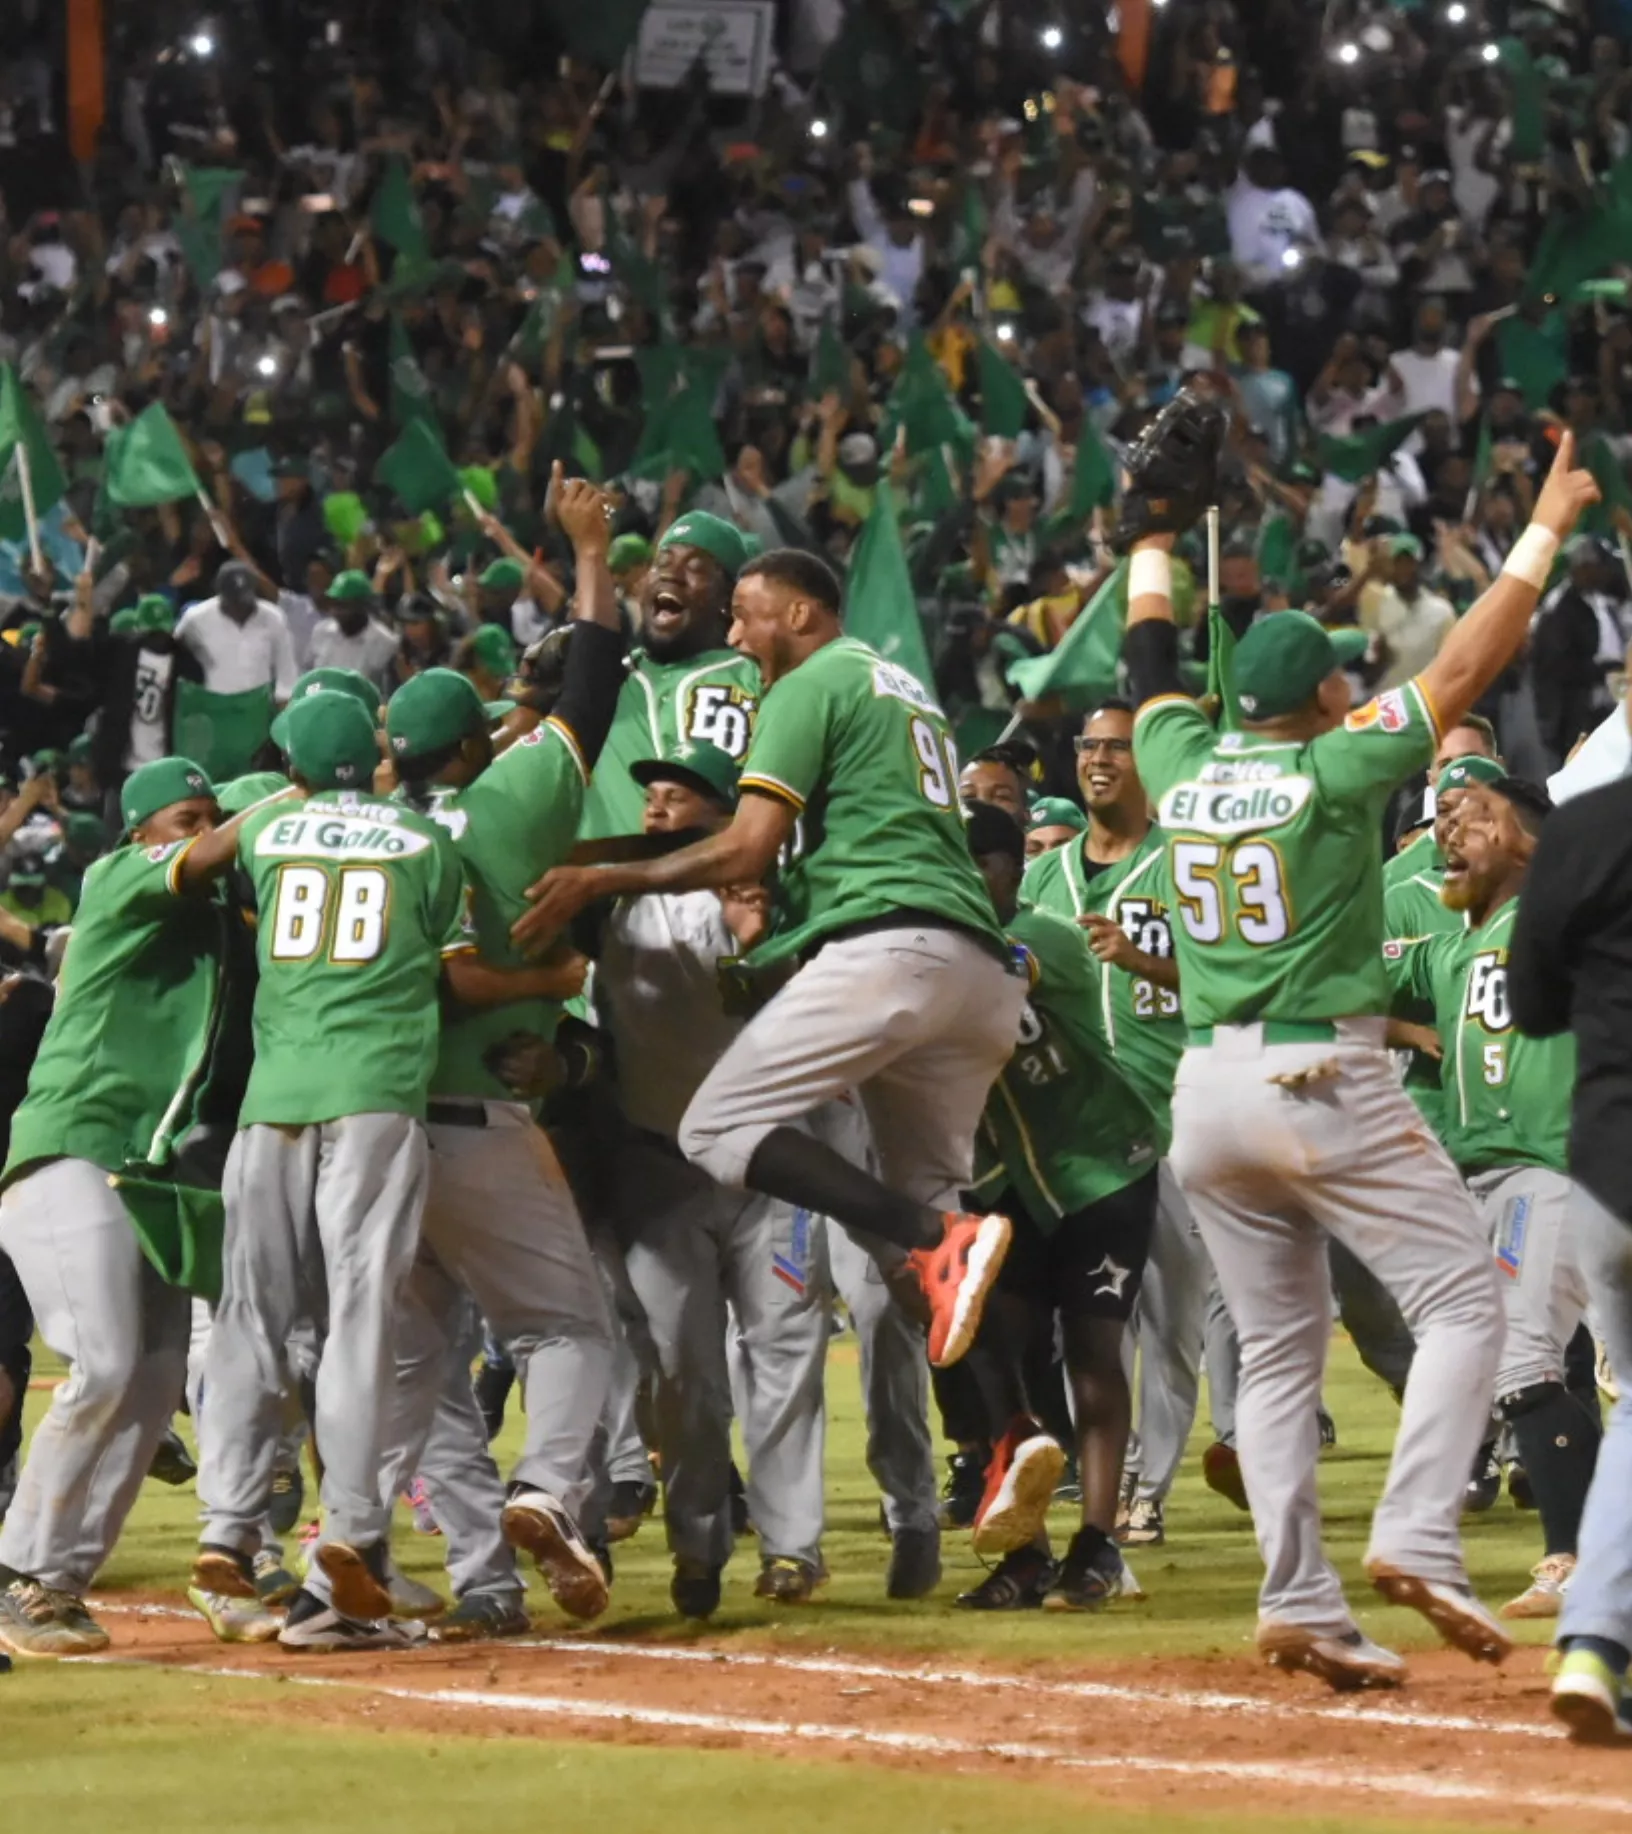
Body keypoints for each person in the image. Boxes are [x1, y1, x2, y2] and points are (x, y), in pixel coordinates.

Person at [1121, 410, 1599, 1691]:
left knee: (1278, 1351)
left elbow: (1147, 667)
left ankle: (1301, 1601)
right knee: (1464, 1304)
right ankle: (1419, 1538)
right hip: (1317, 1071)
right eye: (1339, 673)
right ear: (1324, 693)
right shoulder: (1333, 769)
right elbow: (1467, 664)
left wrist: (1148, 538)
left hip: (1204, 1093)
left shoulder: (1177, 762)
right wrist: (1545, 527)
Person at [516, 547, 1029, 1372]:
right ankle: (1013, 1439)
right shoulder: (904, 691)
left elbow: (747, 847)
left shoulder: (811, 682)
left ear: (800, 614)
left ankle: (941, 1237)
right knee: (923, 1230)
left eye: (746, 612)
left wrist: (602, 877)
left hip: (889, 949)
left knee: (715, 1128)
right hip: (976, 971)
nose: (735, 631)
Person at [363, 472, 628, 1639]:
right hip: (480, 1115)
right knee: (568, 1330)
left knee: (418, 1364)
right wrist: (588, 551)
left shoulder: (378, 832)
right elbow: (596, 679)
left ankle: (474, 1573)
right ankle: (546, 1490)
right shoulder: (519, 788)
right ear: (480, 740)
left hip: (373, 1128)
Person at [180, 692, 485, 1654]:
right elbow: (448, 963)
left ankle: (228, 1524)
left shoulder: (269, 830)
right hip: (376, 1093)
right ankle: (353, 1531)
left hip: (273, 1102)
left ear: (296, 764)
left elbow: (224, 872)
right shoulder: (428, 842)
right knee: (361, 1321)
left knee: (249, 1317)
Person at [0, 758, 228, 1658]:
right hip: (71, 1150)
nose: (202, 828)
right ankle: (17, 1572)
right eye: (185, 817)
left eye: (210, 814)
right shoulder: (114, 876)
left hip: (151, 1168)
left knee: (152, 1376)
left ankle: (57, 1583)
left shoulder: (217, 923)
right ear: (140, 830)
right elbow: (211, 854)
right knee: (101, 1364)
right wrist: (316, 794)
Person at [1385, 770, 1596, 1621]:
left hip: (1552, 1171)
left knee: (1521, 1356)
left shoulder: (1565, 926)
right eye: (1445, 816)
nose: (1452, 827)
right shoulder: (1449, 950)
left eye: (1478, 815)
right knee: (1499, 1359)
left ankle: (1576, 1557)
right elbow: (1339, 983)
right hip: (1488, 1178)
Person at [958, 801, 1161, 1610]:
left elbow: (990, 976)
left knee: (1092, 1355)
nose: (969, 878)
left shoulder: (1049, 937)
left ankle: (1100, 1542)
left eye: (983, 862)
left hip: (1100, 1170)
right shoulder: (940, 944)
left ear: (1015, 869)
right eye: (955, 861)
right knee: (1005, 1359)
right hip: (1008, 1184)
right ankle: (1030, 1552)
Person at [1018, 699, 1203, 1550]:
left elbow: (1232, 979)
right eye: (1088, 746)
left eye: (1117, 748)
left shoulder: (1183, 865)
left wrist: (1142, 960)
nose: (1098, 760)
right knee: (1084, 1322)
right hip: (1080, 1129)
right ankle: (1109, 1470)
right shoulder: (1041, 881)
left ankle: (1146, 1482)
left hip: (1175, 1112)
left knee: (1171, 1319)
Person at [1509, 763, 1632, 1740]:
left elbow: (1534, 1003)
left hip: (1603, 1166)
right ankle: (1596, 1633)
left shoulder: (1583, 826)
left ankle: (1596, 1634)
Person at [577, 512, 761, 841]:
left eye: (695, 567)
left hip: (703, 884)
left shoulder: (753, 680)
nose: (671, 575)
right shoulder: (605, 678)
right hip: (597, 885)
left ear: (728, 601)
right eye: (662, 562)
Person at [174, 560, 299, 706]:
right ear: (220, 594)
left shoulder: (274, 617)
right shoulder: (196, 618)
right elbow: (173, 652)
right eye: (234, 602)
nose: (239, 607)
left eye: (244, 600)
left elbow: (286, 671)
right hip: (213, 706)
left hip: (259, 707)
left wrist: (284, 703)